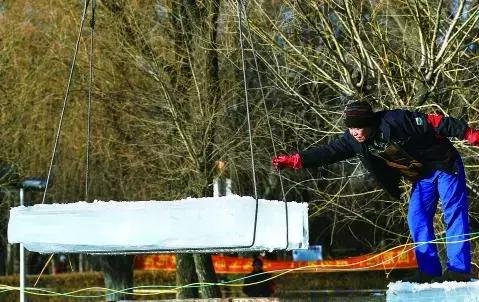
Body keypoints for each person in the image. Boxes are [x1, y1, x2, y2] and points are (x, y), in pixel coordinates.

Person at [273, 101, 479, 283]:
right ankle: (429, 272)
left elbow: (435, 121)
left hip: (444, 162)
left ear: (370, 123)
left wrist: (467, 133)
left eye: (359, 127)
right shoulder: (353, 140)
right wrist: (297, 160)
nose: (354, 132)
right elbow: (329, 152)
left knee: (453, 212)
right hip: (423, 175)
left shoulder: (396, 120)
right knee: (416, 218)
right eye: (351, 128)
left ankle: (459, 270)